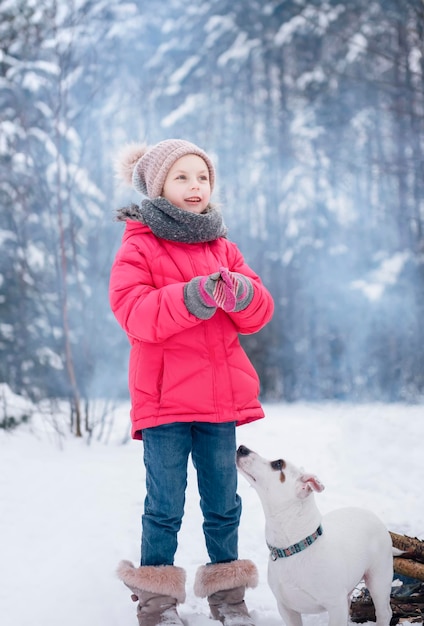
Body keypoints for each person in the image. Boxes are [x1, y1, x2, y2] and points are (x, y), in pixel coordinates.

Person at [109, 139, 274, 626]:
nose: (195, 186)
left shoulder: (222, 244)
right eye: (182, 177)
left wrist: (243, 293)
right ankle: (157, 602)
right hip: (164, 402)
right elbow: (134, 314)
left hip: (219, 402)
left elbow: (257, 314)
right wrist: (192, 297)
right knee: (164, 505)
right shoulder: (139, 244)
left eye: (201, 177)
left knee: (224, 503)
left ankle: (229, 597)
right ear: (159, 185)